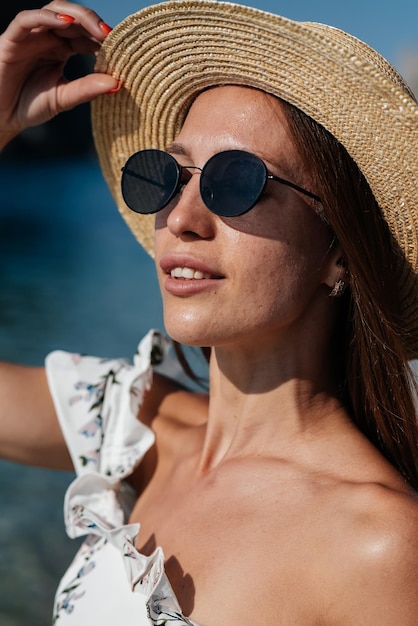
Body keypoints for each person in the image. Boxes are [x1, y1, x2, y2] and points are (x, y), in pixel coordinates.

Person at [0, 1, 417, 624]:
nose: (181, 218)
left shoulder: (380, 547)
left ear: (340, 253)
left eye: (238, 181)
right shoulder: (136, 429)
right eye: (167, 174)